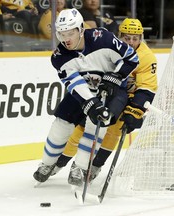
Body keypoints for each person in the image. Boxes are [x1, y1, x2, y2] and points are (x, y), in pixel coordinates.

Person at [33, 8, 139, 184]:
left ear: (81, 29)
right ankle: (47, 163)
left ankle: (80, 166)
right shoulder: (59, 57)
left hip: (113, 89)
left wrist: (116, 76)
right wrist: (90, 102)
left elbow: (131, 58)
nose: (65, 39)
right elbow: (74, 84)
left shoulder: (103, 38)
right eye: (61, 33)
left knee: (100, 120)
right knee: (61, 123)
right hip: (85, 90)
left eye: (70, 33)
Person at [50, 18, 158, 187]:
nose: (131, 42)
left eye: (135, 38)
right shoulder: (112, 47)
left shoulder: (147, 57)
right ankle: (61, 161)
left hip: (126, 99)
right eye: (127, 38)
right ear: (120, 36)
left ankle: (94, 166)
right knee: (84, 126)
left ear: (141, 38)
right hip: (102, 93)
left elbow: (147, 87)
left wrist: (135, 110)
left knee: (112, 129)